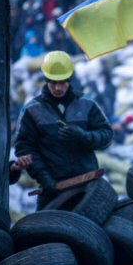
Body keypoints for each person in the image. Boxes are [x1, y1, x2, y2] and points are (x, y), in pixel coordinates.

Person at [14, 51, 113, 209]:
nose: (57, 88)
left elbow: (106, 135)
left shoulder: (87, 104)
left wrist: (84, 136)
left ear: (70, 79)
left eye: (62, 82)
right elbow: (24, 148)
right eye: (52, 82)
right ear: (45, 80)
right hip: (52, 189)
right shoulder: (32, 110)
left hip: (88, 186)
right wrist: (45, 179)